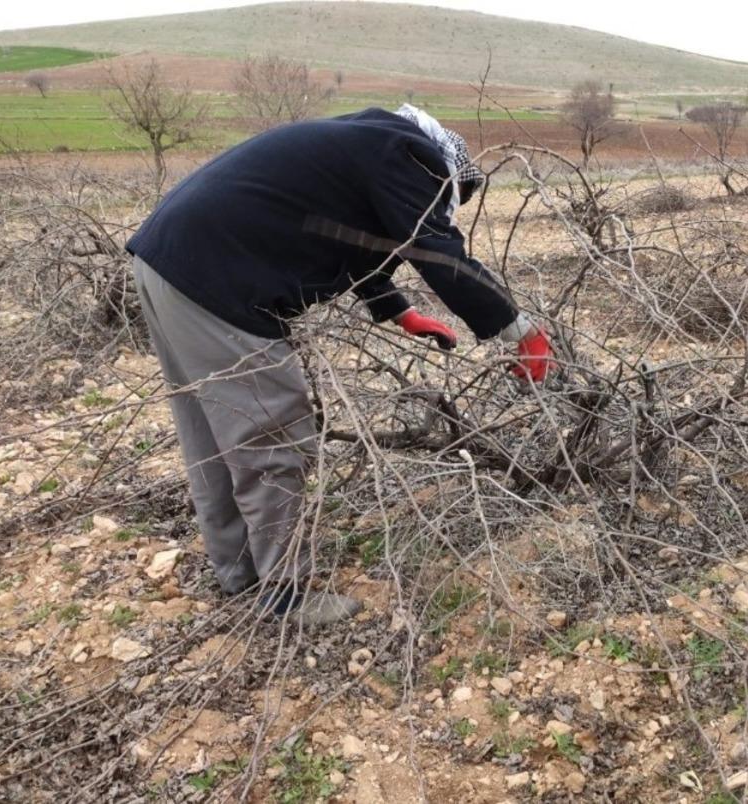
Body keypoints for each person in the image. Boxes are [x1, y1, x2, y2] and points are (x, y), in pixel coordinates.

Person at [126, 105, 553, 624]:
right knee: (272, 435)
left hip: (168, 263)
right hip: (217, 278)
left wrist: (398, 311)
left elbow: (350, 235)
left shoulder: (370, 141)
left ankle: (238, 572)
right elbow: (437, 251)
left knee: (212, 436)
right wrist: (520, 330)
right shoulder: (412, 157)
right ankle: (283, 593)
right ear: (446, 174)